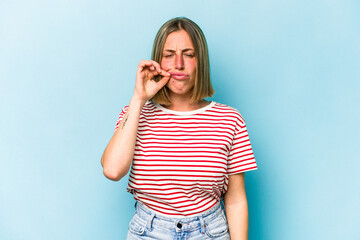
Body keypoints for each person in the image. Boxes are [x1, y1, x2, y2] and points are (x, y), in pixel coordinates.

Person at [101, 17, 257, 240]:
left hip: (209, 232)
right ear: (158, 61)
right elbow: (112, 170)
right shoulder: (135, 114)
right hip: (147, 232)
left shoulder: (229, 119)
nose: (179, 64)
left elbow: (235, 199)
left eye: (189, 54)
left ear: (200, 60)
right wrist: (139, 98)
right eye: (169, 55)